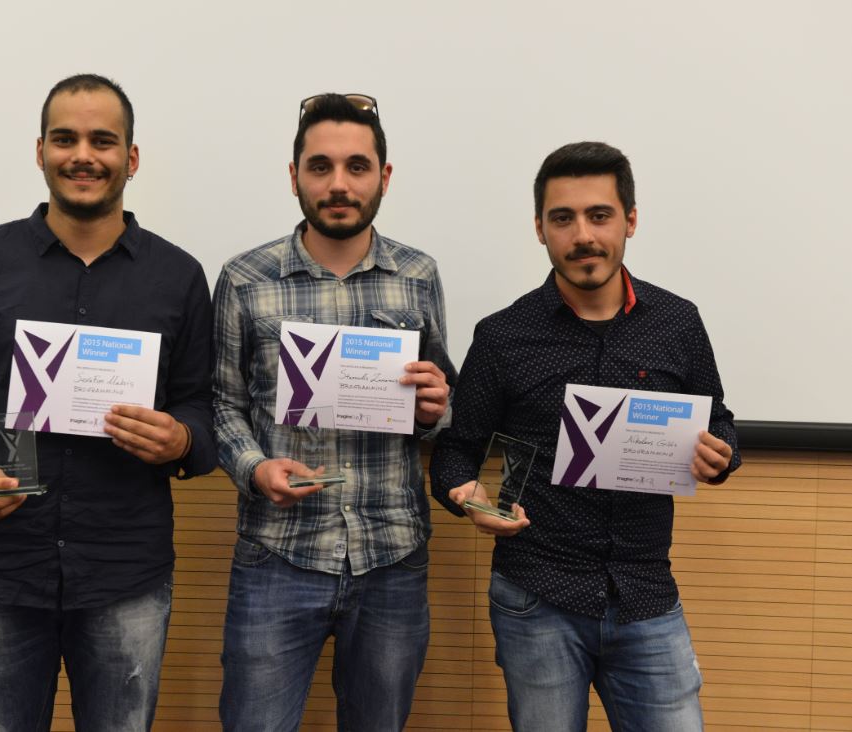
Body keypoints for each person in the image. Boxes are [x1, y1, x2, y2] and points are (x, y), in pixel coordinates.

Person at [0, 73, 215, 731]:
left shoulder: (178, 276)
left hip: (126, 576)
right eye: (65, 138)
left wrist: (182, 440)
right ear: (40, 150)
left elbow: (202, 408)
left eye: (103, 140)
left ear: (131, 157)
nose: (83, 155)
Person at [430, 141, 740, 732]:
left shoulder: (678, 322)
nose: (583, 236)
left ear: (630, 220)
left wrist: (720, 456)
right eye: (562, 218)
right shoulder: (502, 336)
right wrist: (469, 499)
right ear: (539, 229)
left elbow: (719, 422)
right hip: (536, 594)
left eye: (600, 215)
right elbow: (456, 451)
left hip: (646, 594)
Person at [212, 93, 456, 731]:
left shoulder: (418, 275)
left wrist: (434, 408)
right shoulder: (244, 278)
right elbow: (223, 404)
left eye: (357, 166)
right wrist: (254, 468)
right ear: (294, 176)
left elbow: (439, 404)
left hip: (391, 554)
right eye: (320, 167)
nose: (339, 184)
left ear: (384, 176)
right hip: (277, 553)